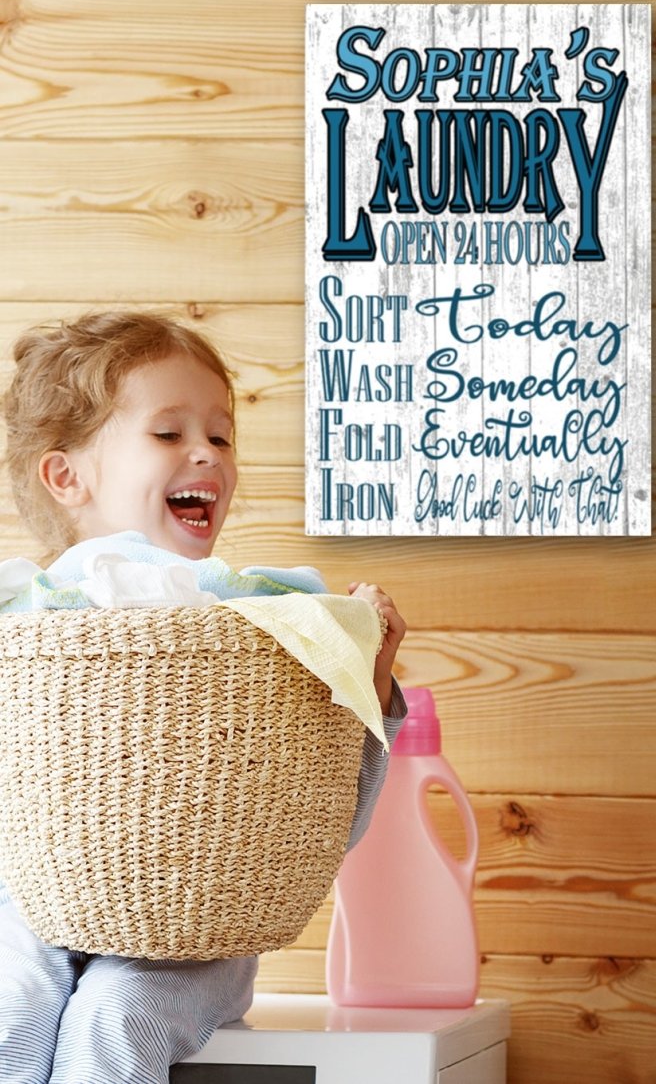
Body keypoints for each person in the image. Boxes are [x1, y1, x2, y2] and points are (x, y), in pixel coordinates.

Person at [0, 311, 407, 1083]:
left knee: (115, 1019)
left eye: (220, 437)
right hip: (31, 909)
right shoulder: (29, 627)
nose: (206, 454)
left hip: (193, 934)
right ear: (67, 476)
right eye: (168, 433)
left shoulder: (256, 632)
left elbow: (314, 826)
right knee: (9, 1004)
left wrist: (371, 678)